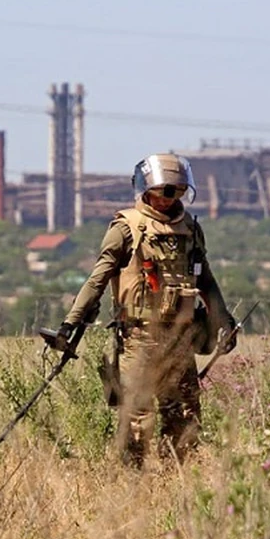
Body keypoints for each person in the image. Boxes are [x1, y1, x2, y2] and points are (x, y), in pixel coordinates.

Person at [58, 153, 236, 467]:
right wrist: (71, 322)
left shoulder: (191, 229)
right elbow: (99, 278)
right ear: (146, 189)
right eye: (163, 191)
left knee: (184, 415)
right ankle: (132, 486)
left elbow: (206, 280)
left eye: (177, 192)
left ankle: (178, 483)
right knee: (138, 417)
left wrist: (223, 320)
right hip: (138, 337)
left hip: (181, 337)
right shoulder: (126, 228)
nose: (169, 199)